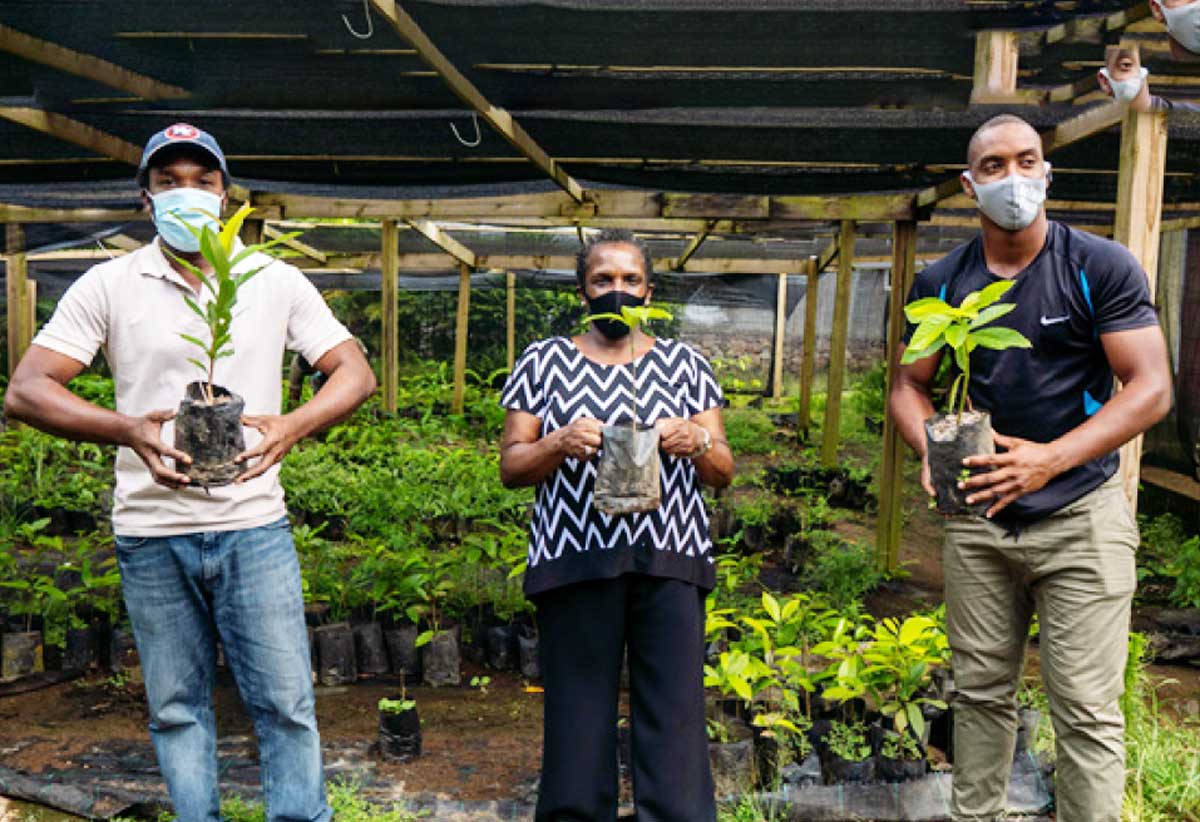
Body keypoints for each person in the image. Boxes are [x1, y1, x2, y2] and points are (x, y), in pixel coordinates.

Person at [3, 123, 376, 822]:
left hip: (253, 526)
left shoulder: (270, 278)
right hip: (149, 530)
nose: (187, 195)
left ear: (226, 194)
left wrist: (294, 425)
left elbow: (353, 371)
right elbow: (26, 390)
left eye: (202, 182)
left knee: (286, 703)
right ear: (144, 199)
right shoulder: (109, 284)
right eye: (168, 182)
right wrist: (127, 429)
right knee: (176, 707)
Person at [887, 115, 1171, 822]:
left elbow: (1151, 387)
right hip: (980, 519)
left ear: (1047, 171)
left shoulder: (1098, 265)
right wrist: (930, 449)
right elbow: (907, 384)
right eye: (992, 166)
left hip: (1082, 517)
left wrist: (1050, 460)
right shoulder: (944, 282)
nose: (1012, 179)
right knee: (979, 693)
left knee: (1084, 707)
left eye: (1026, 161)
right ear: (968, 184)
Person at [498, 228, 734, 821]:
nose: (617, 290)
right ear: (583, 290)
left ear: (649, 290)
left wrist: (697, 438)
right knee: (579, 719)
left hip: (668, 559)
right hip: (576, 562)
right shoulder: (544, 360)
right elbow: (511, 465)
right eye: (603, 279)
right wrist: (558, 442)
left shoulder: (684, 363)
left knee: (675, 720)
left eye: (630, 280)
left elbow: (723, 469)